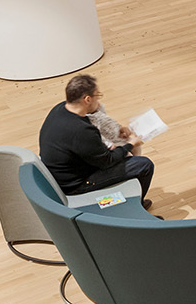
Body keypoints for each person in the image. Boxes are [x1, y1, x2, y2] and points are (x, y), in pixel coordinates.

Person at [40, 73, 156, 205]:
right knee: (144, 165)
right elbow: (108, 161)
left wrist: (118, 128)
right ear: (87, 99)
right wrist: (130, 144)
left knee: (122, 150)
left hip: (63, 172)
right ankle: (137, 206)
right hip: (76, 184)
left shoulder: (60, 109)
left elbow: (93, 120)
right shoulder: (81, 131)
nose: (99, 101)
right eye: (97, 96)